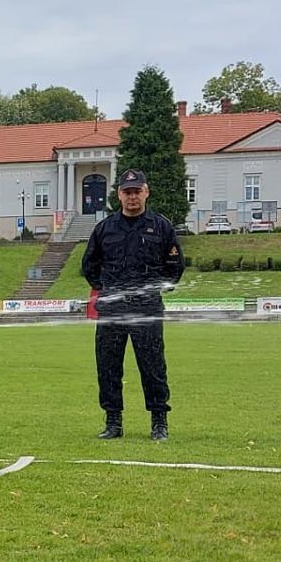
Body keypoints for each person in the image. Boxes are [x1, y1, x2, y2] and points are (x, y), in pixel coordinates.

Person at [79, 168, 184, 441]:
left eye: (137, 191)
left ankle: (159, 421)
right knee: (108, 366)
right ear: (119, 195)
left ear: (146, 192)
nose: (132, 197)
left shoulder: (161, 226)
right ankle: (113, 422)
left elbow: (174, 266)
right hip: (112, 310)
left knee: (153, 366)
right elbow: (89, 266)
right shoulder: (104, 228)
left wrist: (154, 291)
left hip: (146, 310)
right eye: (127, 192)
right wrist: (108, 291)